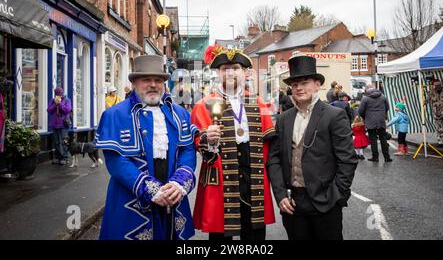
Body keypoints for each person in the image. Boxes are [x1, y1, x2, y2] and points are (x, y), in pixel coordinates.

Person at [95, 55, 198, 240]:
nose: (153, 84)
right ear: (134, 82)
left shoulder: (180, 113)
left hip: (172, 198)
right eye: (146, 80)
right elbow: (116, 161)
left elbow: (187, 149)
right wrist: (150, 189)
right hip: (131, 199)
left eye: (158, 80)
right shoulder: (115, 115)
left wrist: (179, 182)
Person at [191, 45, 276, 240]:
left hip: (253, 179)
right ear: (218, 73)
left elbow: (270, 148)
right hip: (221, 180)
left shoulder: (260, 103)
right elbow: (197, 145)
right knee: (220, 237)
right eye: (224, 69)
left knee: (254, 236)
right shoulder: (203, 105)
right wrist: (207, 141)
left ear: (245, 72)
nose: (230, 72)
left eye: (236, 67)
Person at [268, 56, 357, 240]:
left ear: (317, 84)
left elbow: (347, 160)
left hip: (326, 203)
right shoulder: (284, 119)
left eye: (304, 82)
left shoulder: (335, 115)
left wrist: (337, 196)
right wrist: (280, 195)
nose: (299, 87)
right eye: (294, 84)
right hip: (293, 203)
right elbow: (275, 158)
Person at [358, 84, 392, 163]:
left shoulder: (365, 98)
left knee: (373, 140)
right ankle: (387, 157)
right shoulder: (383, 97)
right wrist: (382, 114)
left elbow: (360, 111)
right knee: (383, 138)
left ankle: (375, 157)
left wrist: (365, 117)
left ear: (366, 90)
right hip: (381, 120)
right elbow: (387, 107)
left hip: (370, 121)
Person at [47, 86, 72, 165]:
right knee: (57, 142)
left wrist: (60, 104)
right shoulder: (53, 100)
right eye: (57, 94)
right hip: (55, 124)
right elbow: (49, 110)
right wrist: (55, 104)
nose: (58, 96)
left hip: (64, 124)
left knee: (64, 142)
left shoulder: (67, 100)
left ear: (62, 93)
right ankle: (58, 157)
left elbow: (67, 110)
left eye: (59, 94)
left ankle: (65, 157)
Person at [429, 79, 443, 147]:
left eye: (438, 84)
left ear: (441, 84)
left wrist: (442, 103)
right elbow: (427, 100)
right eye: (435, 85)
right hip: (437, 113)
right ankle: (441, 142)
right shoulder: (431, 92)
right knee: (439, 127)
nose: (437, 86)